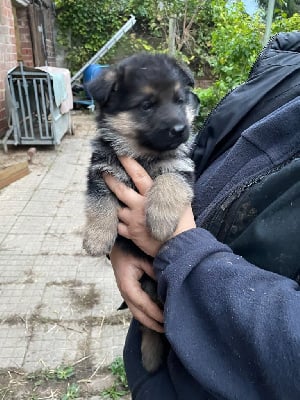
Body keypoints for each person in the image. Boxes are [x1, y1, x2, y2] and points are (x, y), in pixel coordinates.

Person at [103, 31, 300, 399]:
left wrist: (179, 248)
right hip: (162, 361)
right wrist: (125, 241)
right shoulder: (287, 62)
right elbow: (199, 157)